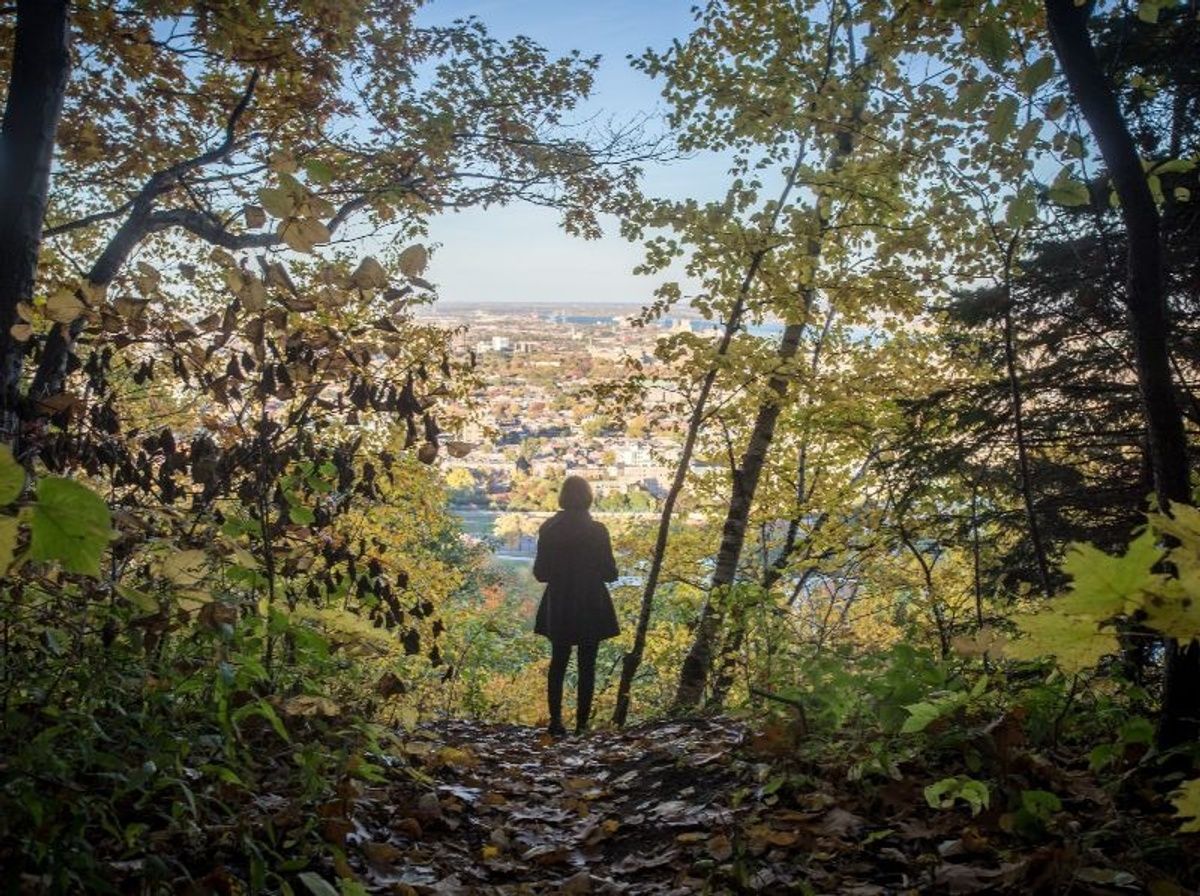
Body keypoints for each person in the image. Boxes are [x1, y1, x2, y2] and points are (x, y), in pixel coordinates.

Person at [533, 475, 620, 736]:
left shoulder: (549, 528)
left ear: (562, 497)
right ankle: (582, 726)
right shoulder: (598, 531)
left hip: (559, 602)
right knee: (587, 665)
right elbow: (610, 574)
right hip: (591, 601)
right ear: (588, 498)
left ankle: (555, 722)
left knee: (558, 662)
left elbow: (541, 573)